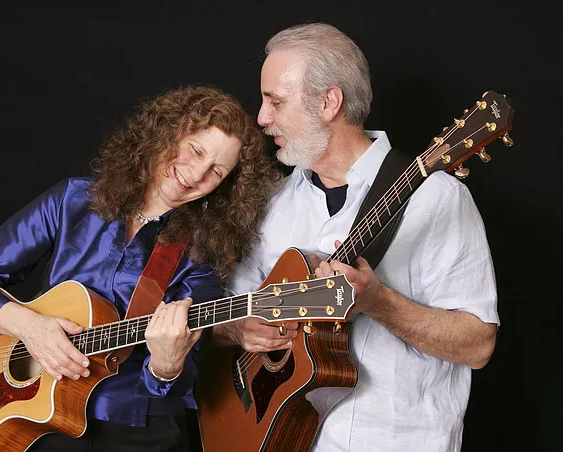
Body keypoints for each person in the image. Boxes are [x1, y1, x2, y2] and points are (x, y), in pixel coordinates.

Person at [0, 86, 281, 451]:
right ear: (167, 132)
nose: (197, 174)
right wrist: (29, 326)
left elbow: (178, 382)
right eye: (196, 150)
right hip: (38, 412)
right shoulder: (73, 200)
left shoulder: (203, 250)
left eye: (216, 171)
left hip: (132, 424)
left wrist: (166, 366)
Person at [213, 23, 499, 451]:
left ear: (329, 102)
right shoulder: (271, 202)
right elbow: (221, 318)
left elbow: (478, 344)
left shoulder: (435, 198)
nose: (261, 118)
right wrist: (240, 329)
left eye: (276, 101)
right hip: (281, 438)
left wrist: (377, 302)